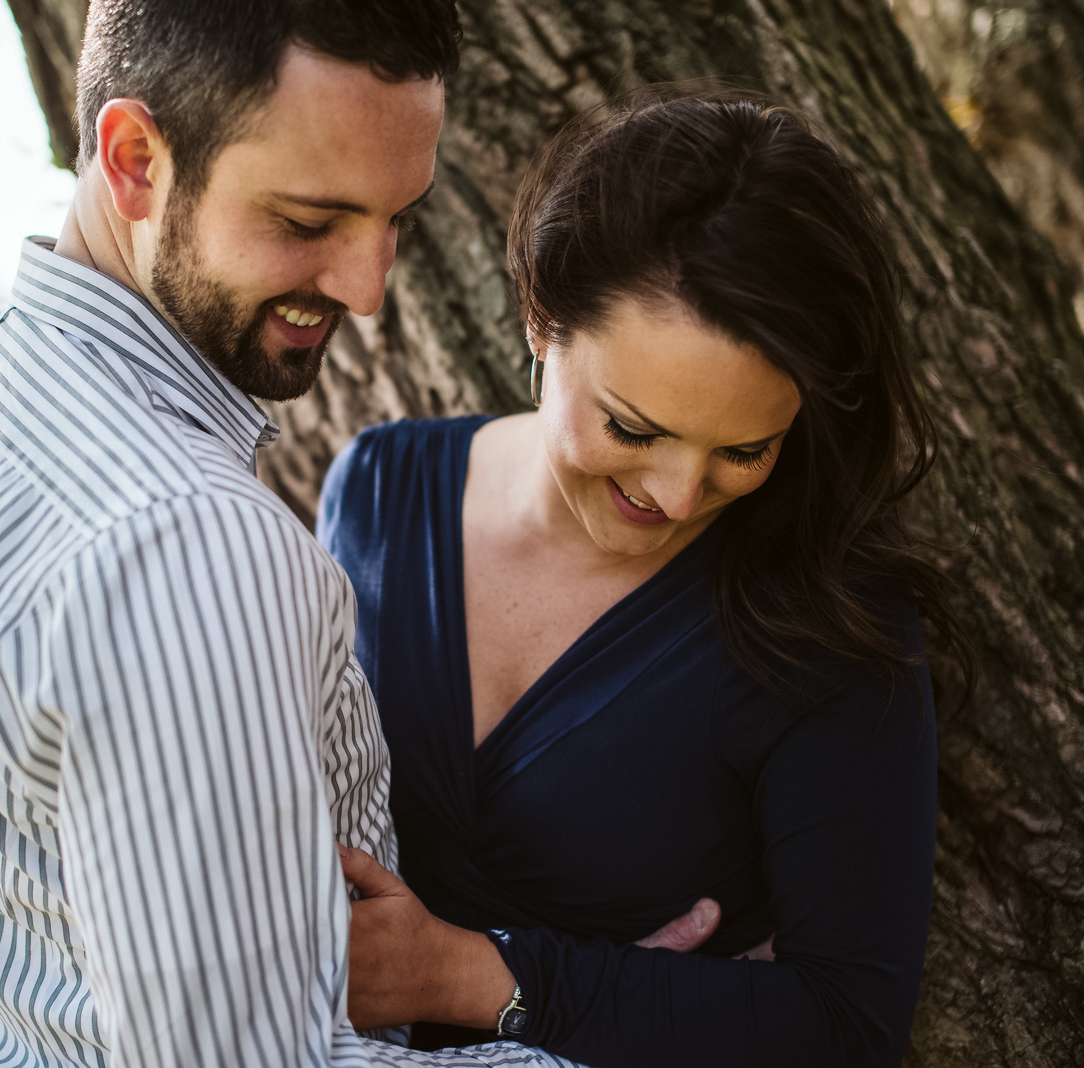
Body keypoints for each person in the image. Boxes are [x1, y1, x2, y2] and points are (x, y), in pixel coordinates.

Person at [0, 3, 712, 1065]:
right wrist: (630, 1032)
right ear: (134, 161)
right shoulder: (191, 546)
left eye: (397, 217)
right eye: (309, 222)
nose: (367, 287)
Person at [319, 91, 958, 1067]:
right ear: (540, 320)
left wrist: (475, 978)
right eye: (632, 425)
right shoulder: (373, 490)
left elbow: (843, 1025)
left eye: (744, 449)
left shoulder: (825, 627)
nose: (676, 492)